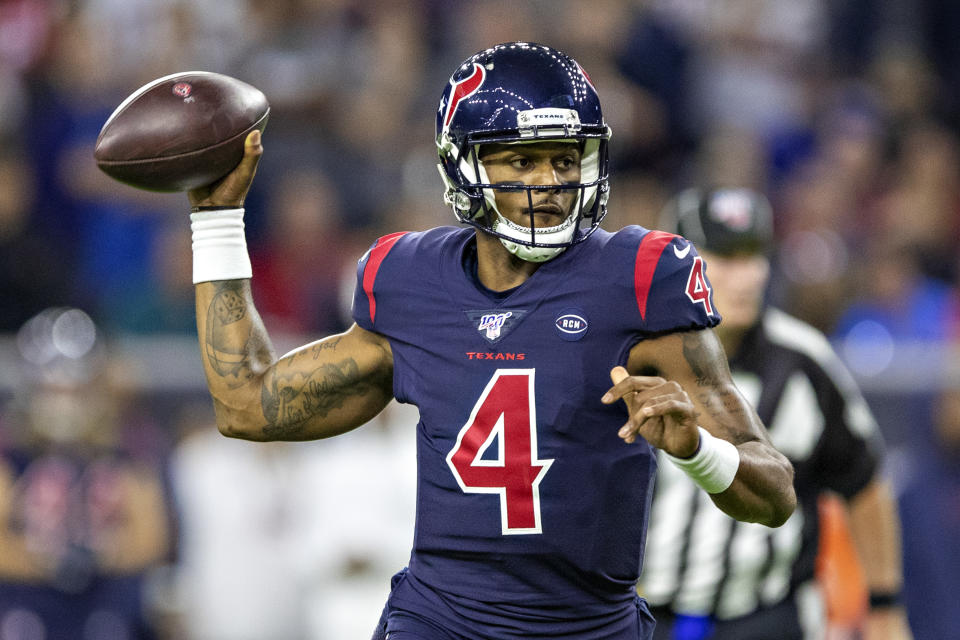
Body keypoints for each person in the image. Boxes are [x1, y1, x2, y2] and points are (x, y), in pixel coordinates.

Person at [183, 42, 796, 639]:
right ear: (462, 164)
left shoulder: (640, 278)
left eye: (564, 159)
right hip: (441, 620)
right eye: (521, 161)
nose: (550, 183)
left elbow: (775, 496)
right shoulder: (409, 281)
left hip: (588, 625)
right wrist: (216, 222)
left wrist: (698, 452)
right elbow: (247, 405)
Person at [641, 187, 912, 640]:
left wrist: (884, 606)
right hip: (647, 614)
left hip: (767, 617)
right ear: (679, 261)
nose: (747, 277)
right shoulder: (634, 350)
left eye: (755, 257)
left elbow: (863, 481)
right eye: (727, 258)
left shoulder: (803, 359)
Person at [0, 307, 172, 640]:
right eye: (53, 391)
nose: (65, 403)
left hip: (108, 599)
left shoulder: (128, 451)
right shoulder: (11, 455)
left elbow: (152, 539)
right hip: (27, 602)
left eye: (76, 391)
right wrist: (44, 565)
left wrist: (101, 560)